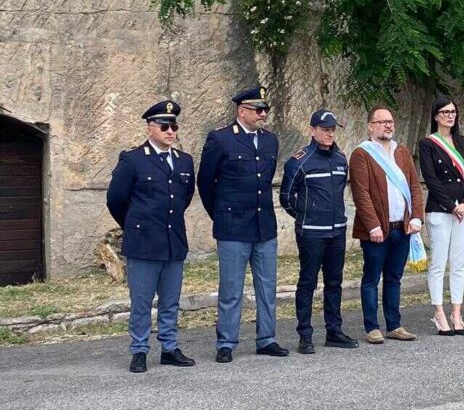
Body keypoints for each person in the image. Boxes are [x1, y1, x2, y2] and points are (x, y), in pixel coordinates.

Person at [197, 86, 288, 363]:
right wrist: (222, 215)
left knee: (267, 285)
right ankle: (226, 342)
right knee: (231, 288)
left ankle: (267, 338)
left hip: (263, 225)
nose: (263, 114)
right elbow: (205, 183)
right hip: (233, 227)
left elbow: (265, 180)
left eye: (265, 110)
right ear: (242, 111)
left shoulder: (270, 140)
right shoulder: (221, 139)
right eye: (258, 110)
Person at [107, 100, 197, 374]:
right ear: (150, 128)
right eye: (165, 126)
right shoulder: (133, 159)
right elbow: (116, 199)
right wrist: (135, 225)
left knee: (170, 300)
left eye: (174, 127)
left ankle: (169, 348)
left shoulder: (184, 161)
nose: (171, 132)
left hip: (173, 241)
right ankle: (139, 350)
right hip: (144, 243)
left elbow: (185, 198)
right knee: (142, 302)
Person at [279, 110, 358, 354]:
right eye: (325, 129)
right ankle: (305, 335)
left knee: (334, 282)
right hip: (311, 233)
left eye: (333, 129)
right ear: (312, 130)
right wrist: (305, 216)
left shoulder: (340, 159)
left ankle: (334, 331)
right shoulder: (299, 161)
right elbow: (286, 198)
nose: (329, 134)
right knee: (308, 283)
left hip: (336, 232)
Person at [349, 105, 425, 344]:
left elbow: (414, 186)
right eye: (382, 122)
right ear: (371, 126)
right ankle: (372, 327)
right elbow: (361, 193)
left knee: (394, 277)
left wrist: (415, 217)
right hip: (376, 230)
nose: (388, 125)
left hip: (400, 228)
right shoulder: (362, 154)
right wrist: (372, 226)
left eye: (390, 121)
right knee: (371, 278)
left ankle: (394, 324)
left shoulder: (401, 152)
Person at [418, 96, 464, 336]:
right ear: (435, 116)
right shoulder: (428, 143)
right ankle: (439, 312)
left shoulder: (462, 141)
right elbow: (431, 179)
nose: (450, 115)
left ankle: (457, 312)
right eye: (444, 112)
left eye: (452, 111)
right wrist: (452, 205)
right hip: (440, 210)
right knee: (439, 263)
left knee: (459, 263)